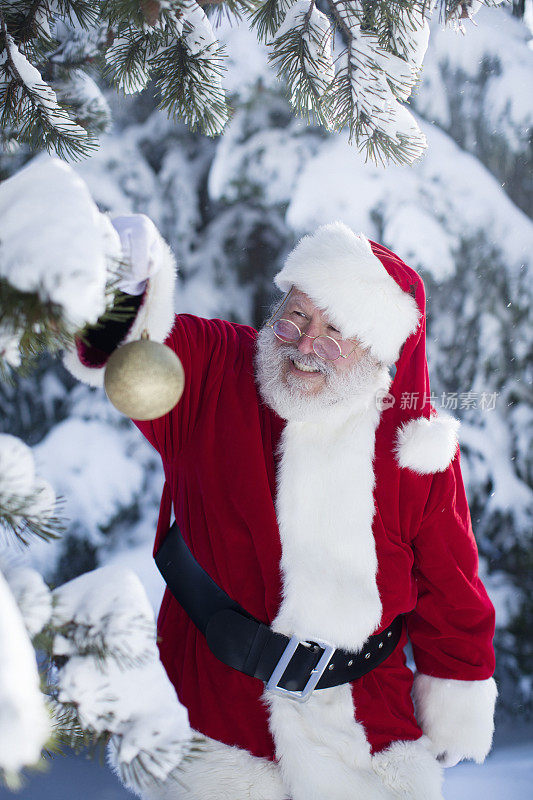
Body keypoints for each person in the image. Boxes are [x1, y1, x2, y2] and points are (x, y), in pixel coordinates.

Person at [64, 216, 497, 800]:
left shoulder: (413, 445)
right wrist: (121, 283)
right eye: (297, 315)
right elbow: (138, 350)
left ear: (375, 353)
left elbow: (451, 582)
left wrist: (457, 683)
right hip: (216, 726)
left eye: (335, 329)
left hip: (368, 737)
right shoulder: (217, 370)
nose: (304, 344)